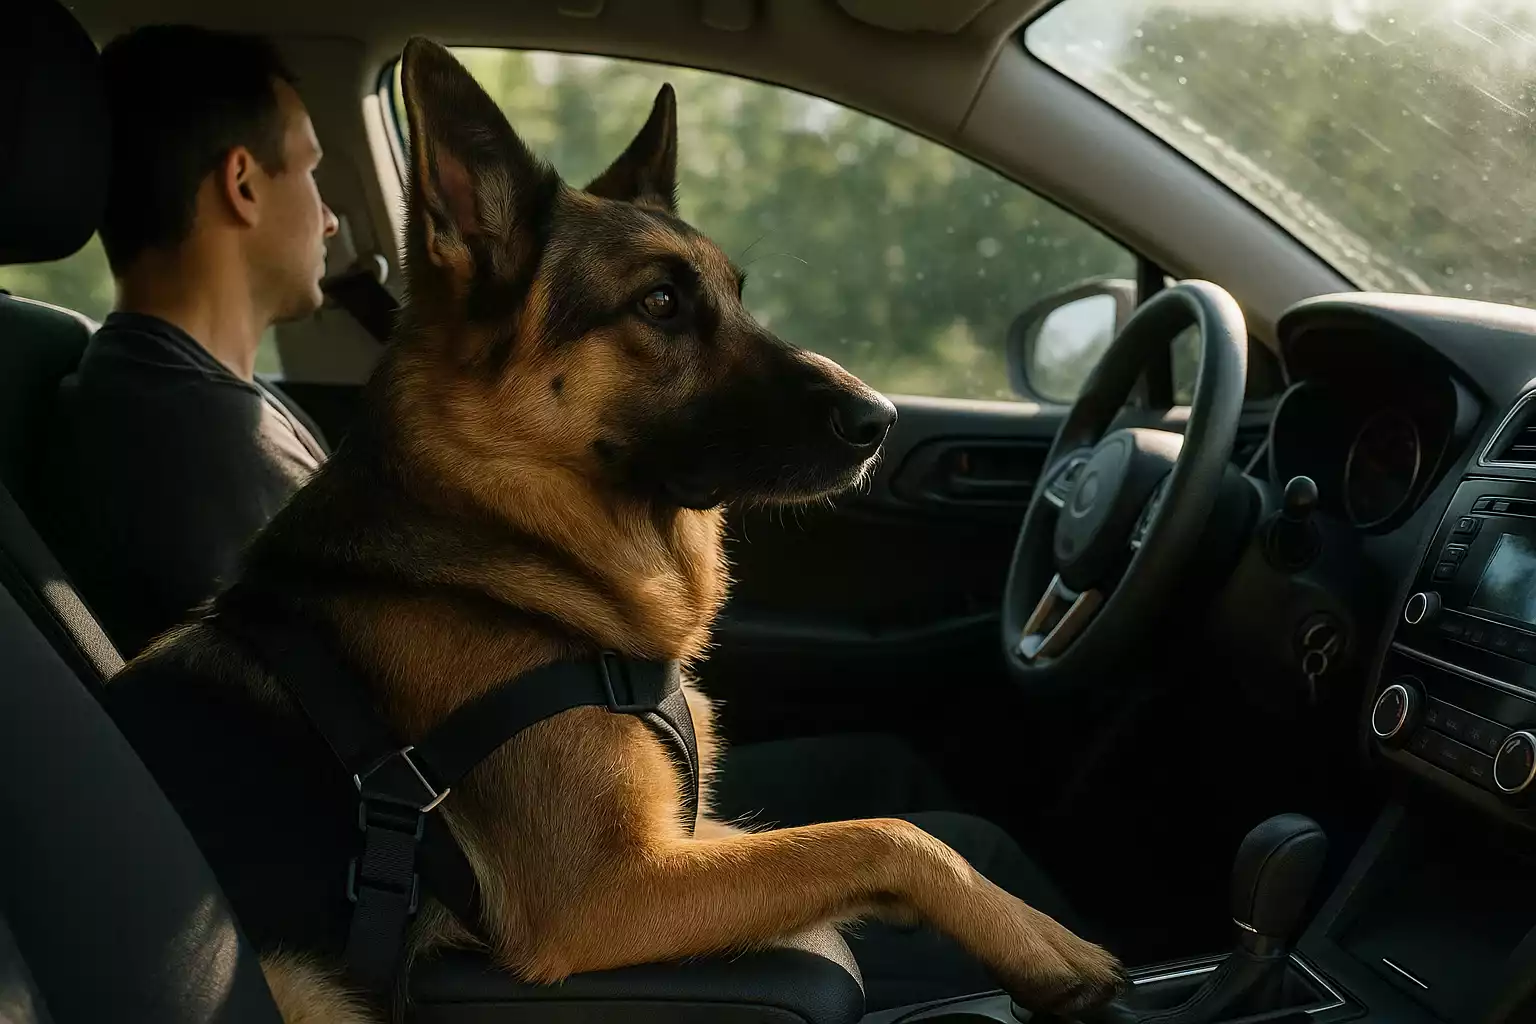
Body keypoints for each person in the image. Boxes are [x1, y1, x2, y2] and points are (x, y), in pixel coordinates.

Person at [44, 25, 1096, 1012]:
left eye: (718, 304)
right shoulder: (290, 509)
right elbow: (577, 915)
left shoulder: (355, 505)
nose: (327, 211)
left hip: (449, 875)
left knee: (912, 804)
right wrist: (890, 858)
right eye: (663, 311)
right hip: (341, 971)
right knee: (933, 851)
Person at [44, 26, 337, 660]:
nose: (331, 218)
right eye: (311, 170)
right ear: (244, 183)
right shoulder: (205, 433)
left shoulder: (161, 385)